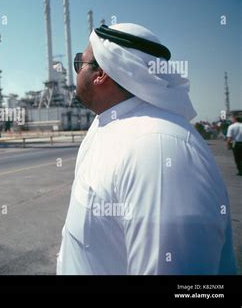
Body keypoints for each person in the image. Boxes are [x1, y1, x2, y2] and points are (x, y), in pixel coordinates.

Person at [57, 23, 237, 275]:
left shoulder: (159, 149)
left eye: (80, 62)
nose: (75, 71)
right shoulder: (105, 123)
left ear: (101, 74)